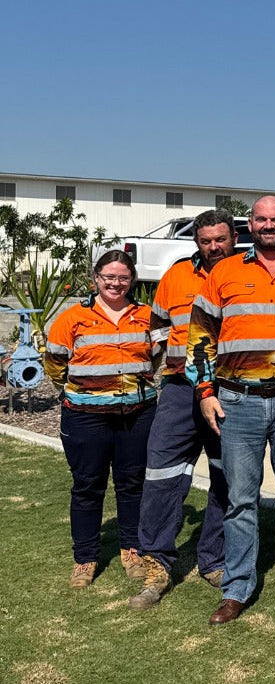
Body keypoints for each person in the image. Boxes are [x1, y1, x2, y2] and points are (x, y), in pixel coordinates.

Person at [186, 195, 275, 625]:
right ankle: (238, 587)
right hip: (237, 402)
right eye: (261, 219)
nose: (269, 226)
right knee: (240, 500)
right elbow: (200, 336)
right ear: (251, 224)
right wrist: (205, 391)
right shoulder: (224, 272)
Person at [128, 209, 236, 610]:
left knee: (228, 474)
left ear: (233, 237)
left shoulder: (247, 274)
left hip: (227, 391)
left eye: (219, 239)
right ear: (197, 241)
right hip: (178, 388)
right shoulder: (176, 276)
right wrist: (163, 362)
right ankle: (156, 560)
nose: (212, 247)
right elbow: (156, 325)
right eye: (205, 240)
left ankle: (214, 558)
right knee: (161, 471)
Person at [45, 250, 161, 589]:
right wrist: (83, 391)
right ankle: (85, 558)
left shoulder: (147, 316)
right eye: (109, 277)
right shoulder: (72, 317)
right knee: (87, 486)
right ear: (96, 278)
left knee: (132, 483)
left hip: (136, 415)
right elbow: (55, 363)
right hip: (86, 416)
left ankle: (131, 548)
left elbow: (158, 357)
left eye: (123, 277)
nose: (116, 283)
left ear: (132, 281)